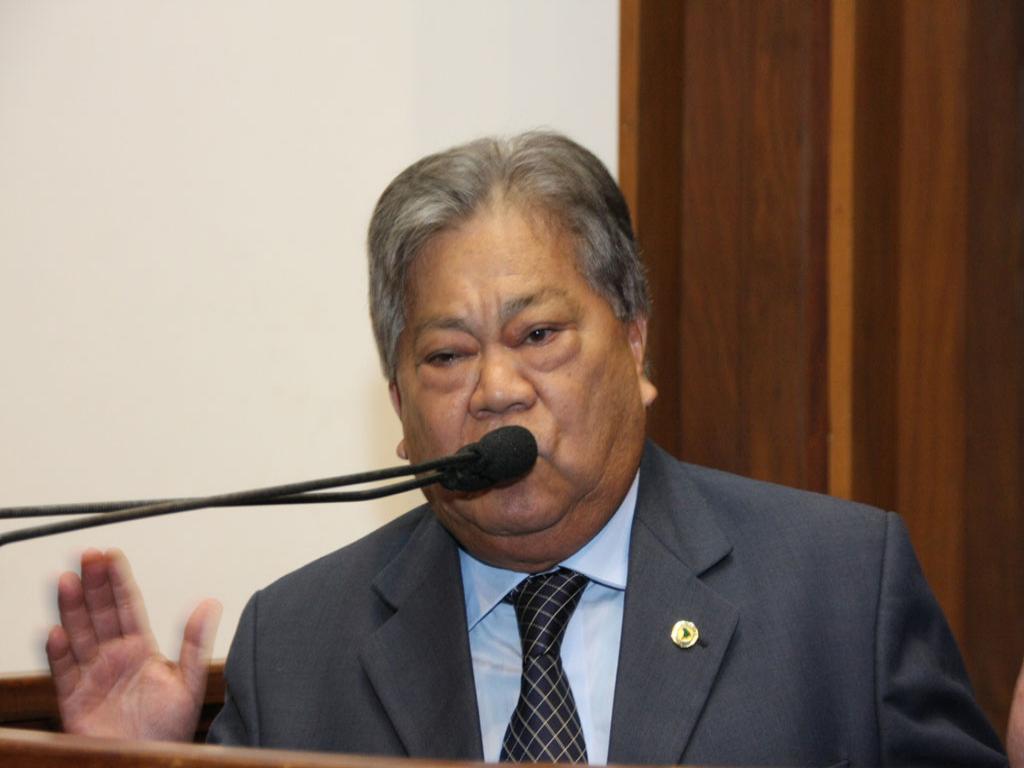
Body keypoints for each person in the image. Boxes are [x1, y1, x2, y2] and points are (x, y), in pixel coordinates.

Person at [46, 132, 1012, 766]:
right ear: (399, 405)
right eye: (446, 355)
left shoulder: (840, 589)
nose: (496, 389)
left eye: (538, 335)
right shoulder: (297, 647)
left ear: (635, 344)